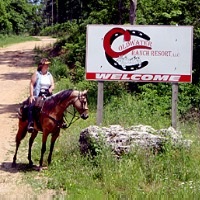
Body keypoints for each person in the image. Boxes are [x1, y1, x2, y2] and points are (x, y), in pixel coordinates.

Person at [27, 58, 55, 133]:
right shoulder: (37, 74)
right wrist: (31, 95)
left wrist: (51, 88)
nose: (47, 66)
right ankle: (30, 124)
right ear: (42, 65)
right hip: (38, 94)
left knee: (58, 105)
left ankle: (61, 122)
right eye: (46, 64)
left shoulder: (49, 75)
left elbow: (52, 85)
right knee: (31, 106)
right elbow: (31, 84)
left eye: (48, 65)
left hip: (48, 94)